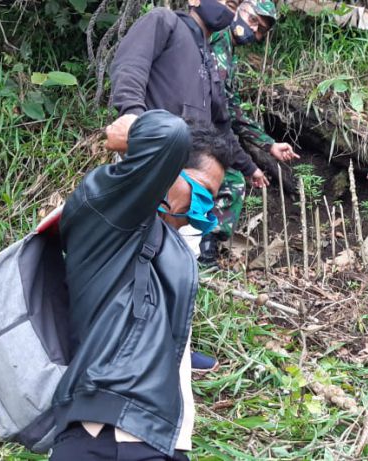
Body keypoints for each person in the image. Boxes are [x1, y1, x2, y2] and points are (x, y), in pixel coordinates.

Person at [49, 110, 234, 460]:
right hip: (107, 438)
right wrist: (133, 133)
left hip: (160, 439)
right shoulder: (109, 218)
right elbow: (167, 134)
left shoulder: (169, 247)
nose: (204, 208)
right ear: (166, 173)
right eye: (202, 192)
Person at [108, 0, 251, 370]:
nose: (230, 5)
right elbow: (130, 65)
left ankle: (174, 349)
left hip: (194, 174)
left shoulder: (208, 55)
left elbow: (222, 124)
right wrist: (134, 121)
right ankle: (120, 346)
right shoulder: (164, 22)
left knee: (181, 261)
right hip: (152, 163)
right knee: (134, 256)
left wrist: (249, 167)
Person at [201, 0, 300, 266]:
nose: (254, 32)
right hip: (193, 128)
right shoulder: (218, 36)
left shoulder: (227, 47)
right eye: (254, 21)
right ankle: (204, 253)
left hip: (201, 128)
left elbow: (231, 108)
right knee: (232, 180)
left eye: (261, 31)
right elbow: (220, 107)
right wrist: (246, 162)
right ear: (240, 9)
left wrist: (268, 145)